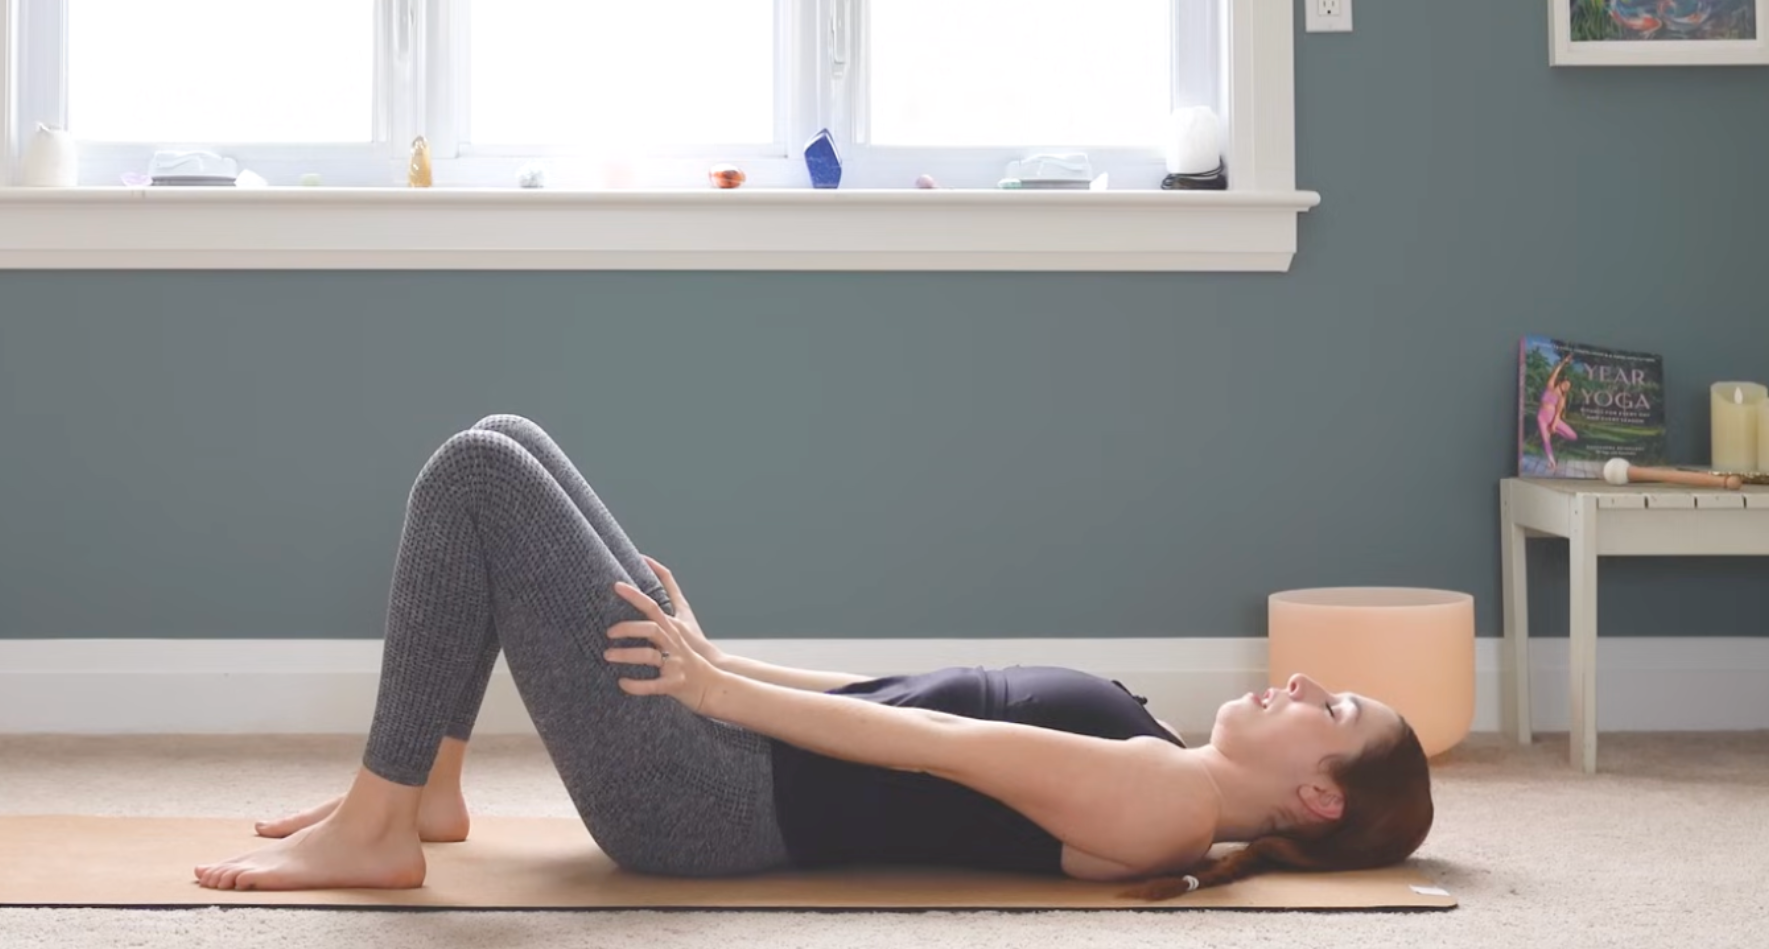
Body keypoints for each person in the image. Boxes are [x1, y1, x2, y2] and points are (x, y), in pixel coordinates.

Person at [196, 416, 1434, 900]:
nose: (1307, 685)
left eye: (1336, 710)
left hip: (707, 801)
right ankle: (433, 785)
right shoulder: (1161, 760)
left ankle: (377, 830)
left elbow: (935, 744)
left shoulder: (1172, 807)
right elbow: (895, 701)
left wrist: (714, 691)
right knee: (508, 439)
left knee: (477, 478)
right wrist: (721, 658)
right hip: (731, 749)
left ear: (1319, 796)